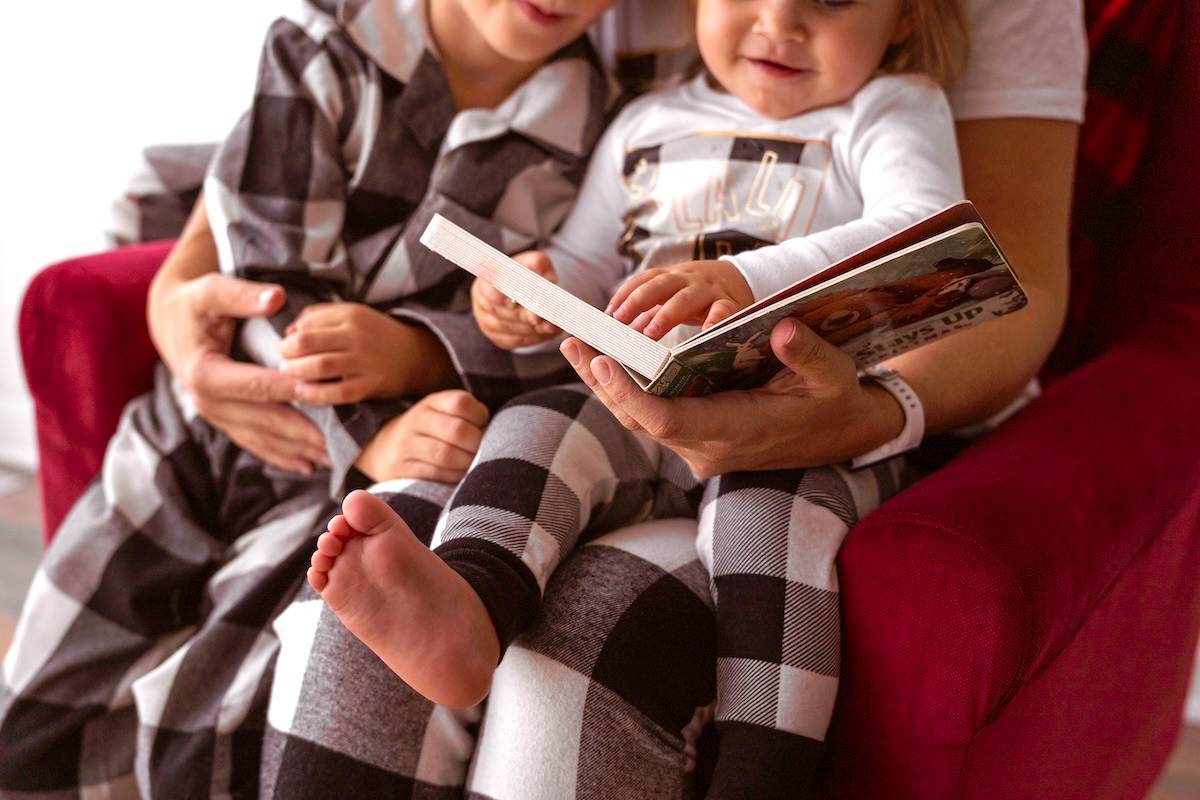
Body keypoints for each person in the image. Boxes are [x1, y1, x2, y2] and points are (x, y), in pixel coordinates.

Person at [305, 0, 968, 795]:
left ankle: (760, 774)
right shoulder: (648, 120)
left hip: (798, 416)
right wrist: (530, 293)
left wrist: (745, 281)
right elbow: (587, 261)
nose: (780, 22)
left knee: (769, 522)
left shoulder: (888, 107)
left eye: (827, 0)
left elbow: (925, 228)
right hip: (641, 396)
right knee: (538, 418)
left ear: (903, 18)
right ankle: (471, 605)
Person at [0, 0, 625, 795]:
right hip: (214, 432)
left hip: (353, 476)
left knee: (233, 709)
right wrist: (364, 431)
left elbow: (546, 334)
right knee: (47, 704)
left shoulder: (593, 121)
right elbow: (260, 272)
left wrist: (416, 353)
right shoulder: (325, 45)